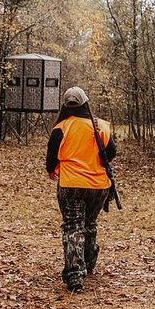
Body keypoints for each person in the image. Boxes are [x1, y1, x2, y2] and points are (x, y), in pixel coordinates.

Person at [45, 86, 116, 294]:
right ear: (86, 103)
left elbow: (51, 156)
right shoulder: (101, 126)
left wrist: (52, 171)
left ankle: (75, 275)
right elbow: (111, 153)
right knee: (89, 223)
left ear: (65, 106)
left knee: (72, 226)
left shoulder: (61, 128)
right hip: (98, 186)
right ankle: (89, 264)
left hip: (70, 185)